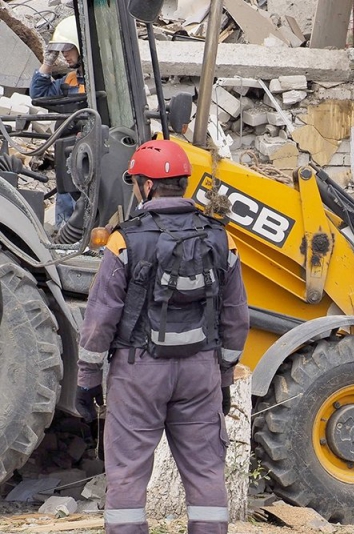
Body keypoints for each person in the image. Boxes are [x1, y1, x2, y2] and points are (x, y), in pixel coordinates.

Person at [75, 139, 250, 533]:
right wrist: (222, 378)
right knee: (206, 474)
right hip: (200, 372)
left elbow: (100, 319)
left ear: (146, 186)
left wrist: (86, 382)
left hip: (139, 374)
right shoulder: (223, 239)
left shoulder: (124, 241)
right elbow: (236, 318)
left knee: (128, 475)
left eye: (137, 182)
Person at [29, 15, 85, 229]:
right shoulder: (70, 80)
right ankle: (65, 237)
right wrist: (47, 63)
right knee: (66, 198)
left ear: (80, 48)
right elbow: (39, 94)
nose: (64, 54)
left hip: (88, 150)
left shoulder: (99, 80)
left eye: (68, 49)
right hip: (66, 151)